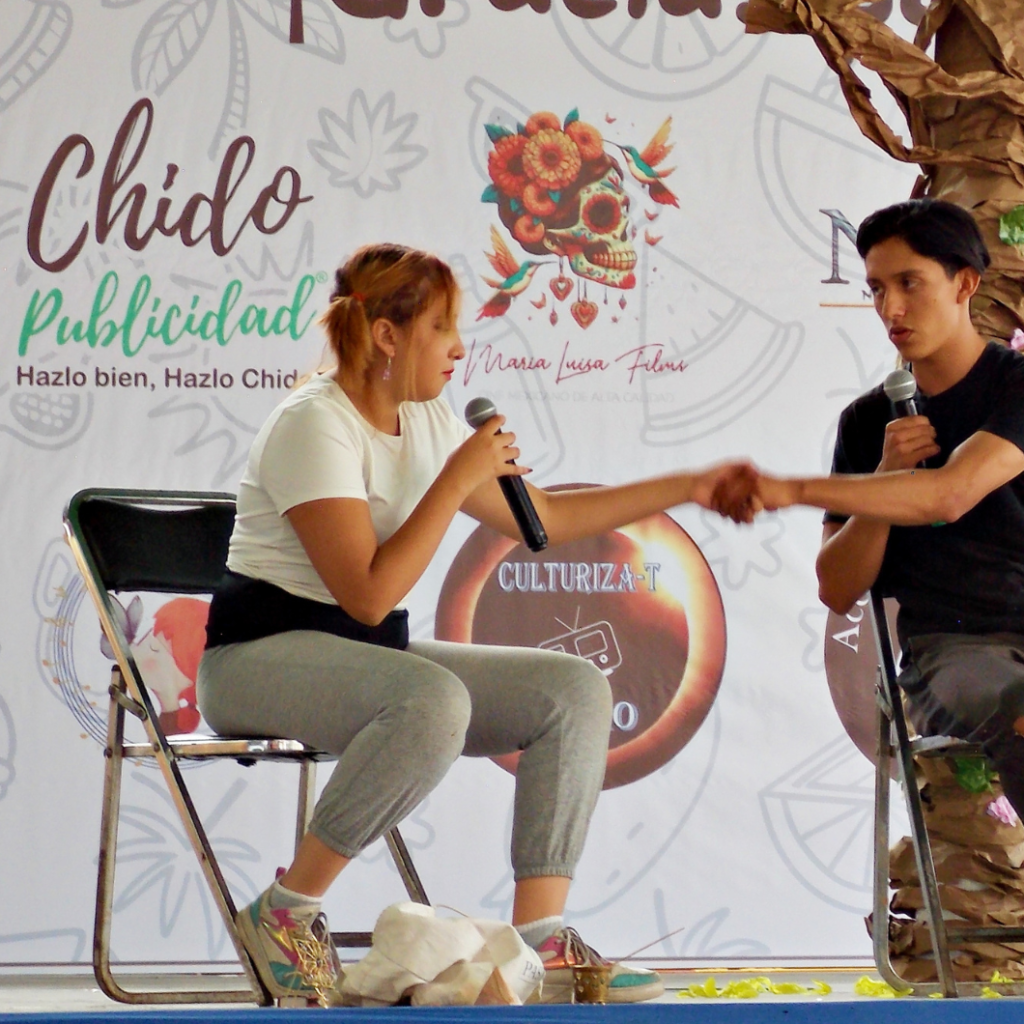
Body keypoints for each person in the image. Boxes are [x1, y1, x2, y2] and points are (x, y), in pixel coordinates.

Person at [196, 242, 754, 1006]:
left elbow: (544, 520)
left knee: (573, 689)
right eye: (441, 328)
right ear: (387, 336)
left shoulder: (424, 419)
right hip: (256, 661)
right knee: (431, 700)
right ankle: (285, 912)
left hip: (365, 660)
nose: (459, 349)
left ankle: (539, 943)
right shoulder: (312, 424)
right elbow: (368, 595)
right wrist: (457, 476)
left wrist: (688, 484)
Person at [747, 198, 1024, 818]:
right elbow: (837, 586)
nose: (890, 309)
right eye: (876, 289)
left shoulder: (1014, 385)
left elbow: (952, 492)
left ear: (965, 284)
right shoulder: (868, 422)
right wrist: (884, 479)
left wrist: (793, 489)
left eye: (909, 284)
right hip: (952, 652)